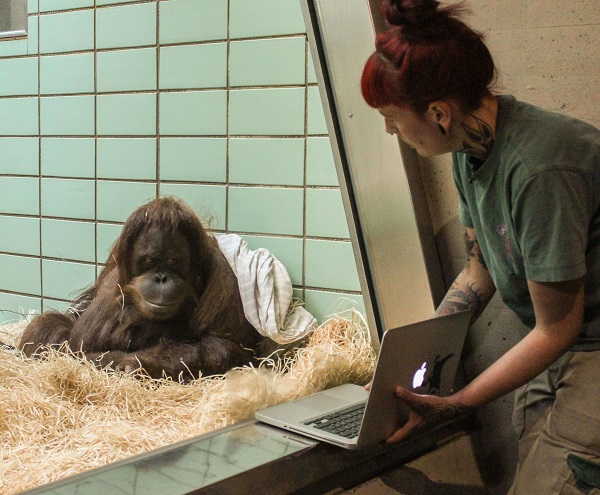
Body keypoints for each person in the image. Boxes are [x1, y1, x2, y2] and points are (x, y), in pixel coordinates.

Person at [360, 1, 600, 493]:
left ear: (438, 113)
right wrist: (407, 364)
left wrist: (458, 402)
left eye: (391, 117)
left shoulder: (540, 168)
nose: (390, 131)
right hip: (560, 341)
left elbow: (557, 328)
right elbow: (478, 272)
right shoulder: (471, 147)